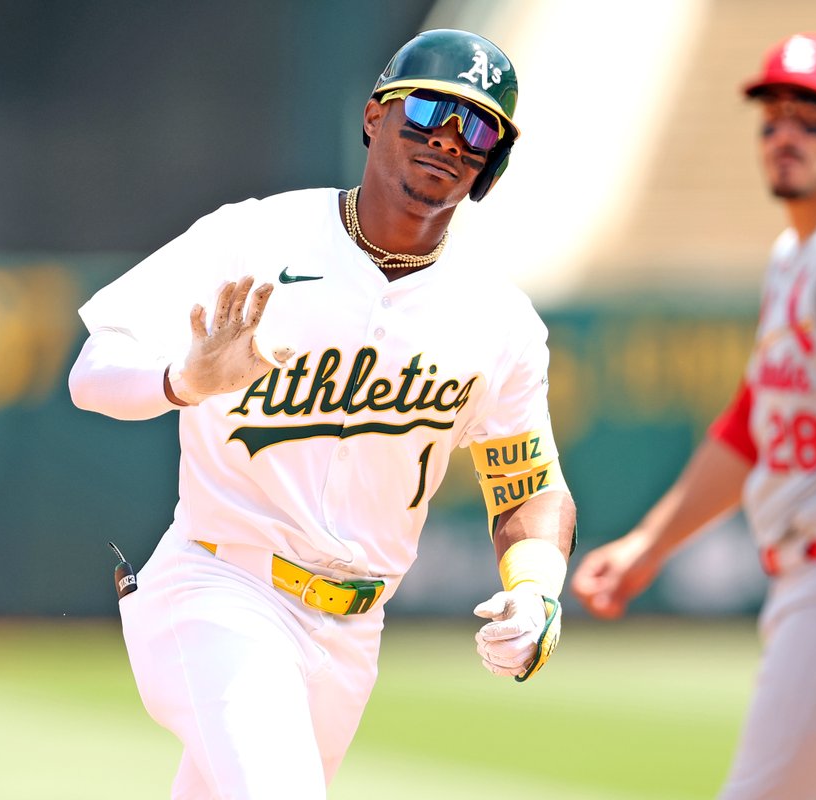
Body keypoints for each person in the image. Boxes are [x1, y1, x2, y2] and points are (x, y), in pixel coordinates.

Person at [69, 28, 576, 799]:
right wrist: (183, 377)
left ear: (490, 165)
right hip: (219, 588)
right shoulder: (254, 234)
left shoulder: (497, 319)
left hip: (352, 633)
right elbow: (91, 372)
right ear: (375, 116)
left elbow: (530, 490)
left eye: (476, 126)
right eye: (430, 109)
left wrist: (537, 590)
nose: (446, 137)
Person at [571, 32, 816, 800]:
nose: (786, 134)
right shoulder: (801, 253)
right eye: (772, 117)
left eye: (812, 117)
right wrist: (649, 546)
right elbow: (752, 422)